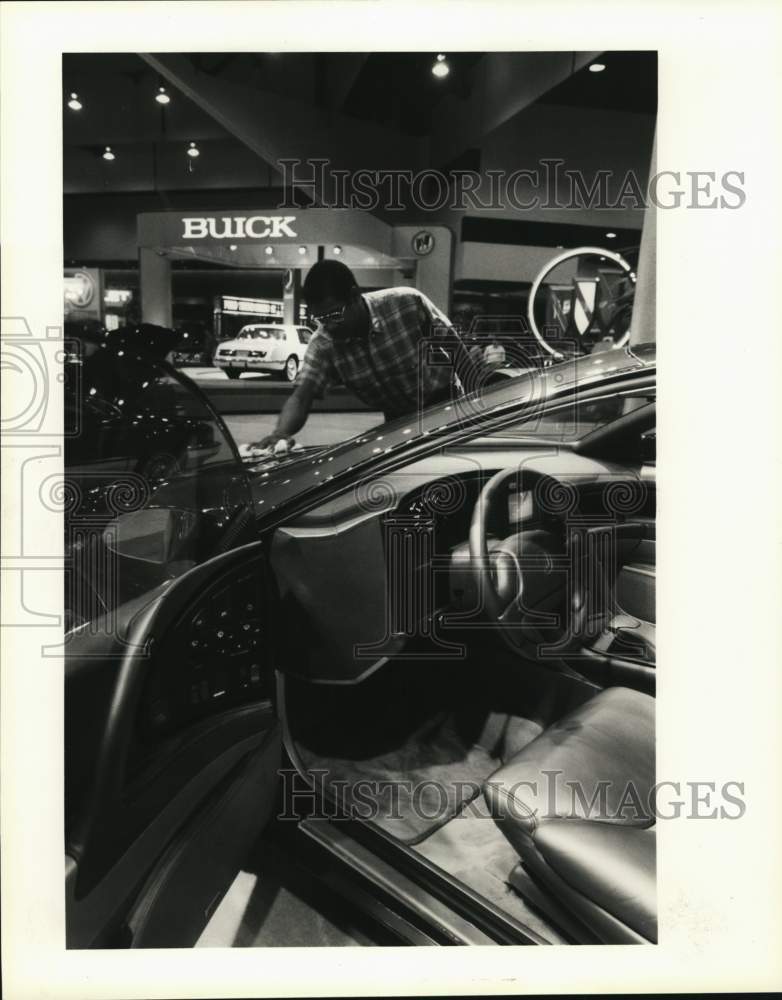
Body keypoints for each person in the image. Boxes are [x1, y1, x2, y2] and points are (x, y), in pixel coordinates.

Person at [251, 260, 472, 450]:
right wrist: (280, 434)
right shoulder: (323, 345)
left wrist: (478, 399)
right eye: (321, 319)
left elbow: (454, 346)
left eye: (335, 315)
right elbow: (302, 396)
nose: (329, 326)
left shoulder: (406, 303)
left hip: (446, 403)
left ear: (354, 295)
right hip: (397, 419)